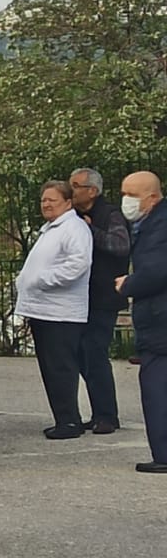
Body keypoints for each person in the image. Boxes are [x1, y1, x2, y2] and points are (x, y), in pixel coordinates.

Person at [15, 179, 95, 439]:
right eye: (43, 200)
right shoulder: (51, 229)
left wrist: (42, 280)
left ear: (68, 202)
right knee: (51, 368)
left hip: (61, 312)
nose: (46, 204)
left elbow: (78, 264)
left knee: (61, 368)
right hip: (43, 310)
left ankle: (69, 422)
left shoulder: (73, 228)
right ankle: (64, 417)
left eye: (52, 200)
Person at [71, 166, 132, 434]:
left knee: (95, 352)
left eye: (76, 186)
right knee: (82, 355)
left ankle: (107, 415)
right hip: (80, 297)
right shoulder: (74, 215)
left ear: (92, 191)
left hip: (104, 296)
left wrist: (90, 231)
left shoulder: (110, 214)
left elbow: (120, 245)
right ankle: (99, 412)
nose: (71, 190)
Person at [116, 171, 167, 473]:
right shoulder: (149, 224)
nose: (126, 201)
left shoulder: (159, 227)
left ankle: (163, 454)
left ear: (152, 197)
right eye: (124, 194)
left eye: (132, 195)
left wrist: (128, 284)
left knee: (157, 387)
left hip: (160, 322)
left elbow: (157, 271)